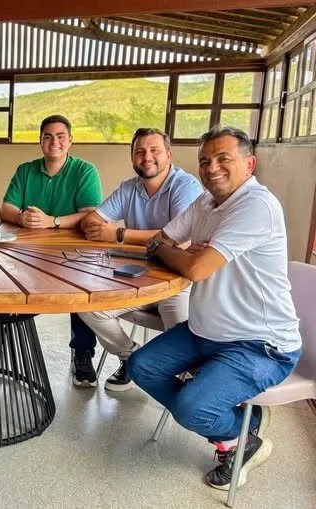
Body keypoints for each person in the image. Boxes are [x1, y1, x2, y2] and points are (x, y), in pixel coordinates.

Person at [128, 126, 302, 490]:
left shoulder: (256, 206)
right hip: (204, 332)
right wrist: (177, 250)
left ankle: (237, 441)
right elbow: (159, 241)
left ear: (249, 164)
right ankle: (241, 426)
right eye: (205, 161)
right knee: (141, 367)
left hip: (260, 344)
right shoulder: (205, 202)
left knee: (191, 408)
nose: (212, 168)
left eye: (224, 158)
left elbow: (195, 268)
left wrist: (185, 253)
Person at [75, 128, 202, 390]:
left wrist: (119, 233)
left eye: (154, 150)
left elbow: (181, 240)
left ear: (169, 155)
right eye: (140, 151)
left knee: (182, 339)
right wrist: (99, 226)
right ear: (132, 157)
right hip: (135, 277)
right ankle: (132, 358)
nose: (147, 157)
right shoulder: (129, 188)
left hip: (177, 282)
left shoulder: (185, 186)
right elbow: (92, 220)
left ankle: (188, 380)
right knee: (86, 305)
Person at [0, 114, 103, 379]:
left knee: (80, 290)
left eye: (60, 136)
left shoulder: (85, 170)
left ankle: (82, 352)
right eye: (48, 136)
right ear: (40, 141)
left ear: (70, 141)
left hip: (72, 249)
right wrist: (21, 218)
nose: (54, 142)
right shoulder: (26, 170)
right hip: (28, 248)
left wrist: (52, 221)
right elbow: (6, 209)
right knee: (3, 275)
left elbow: (90, 214)